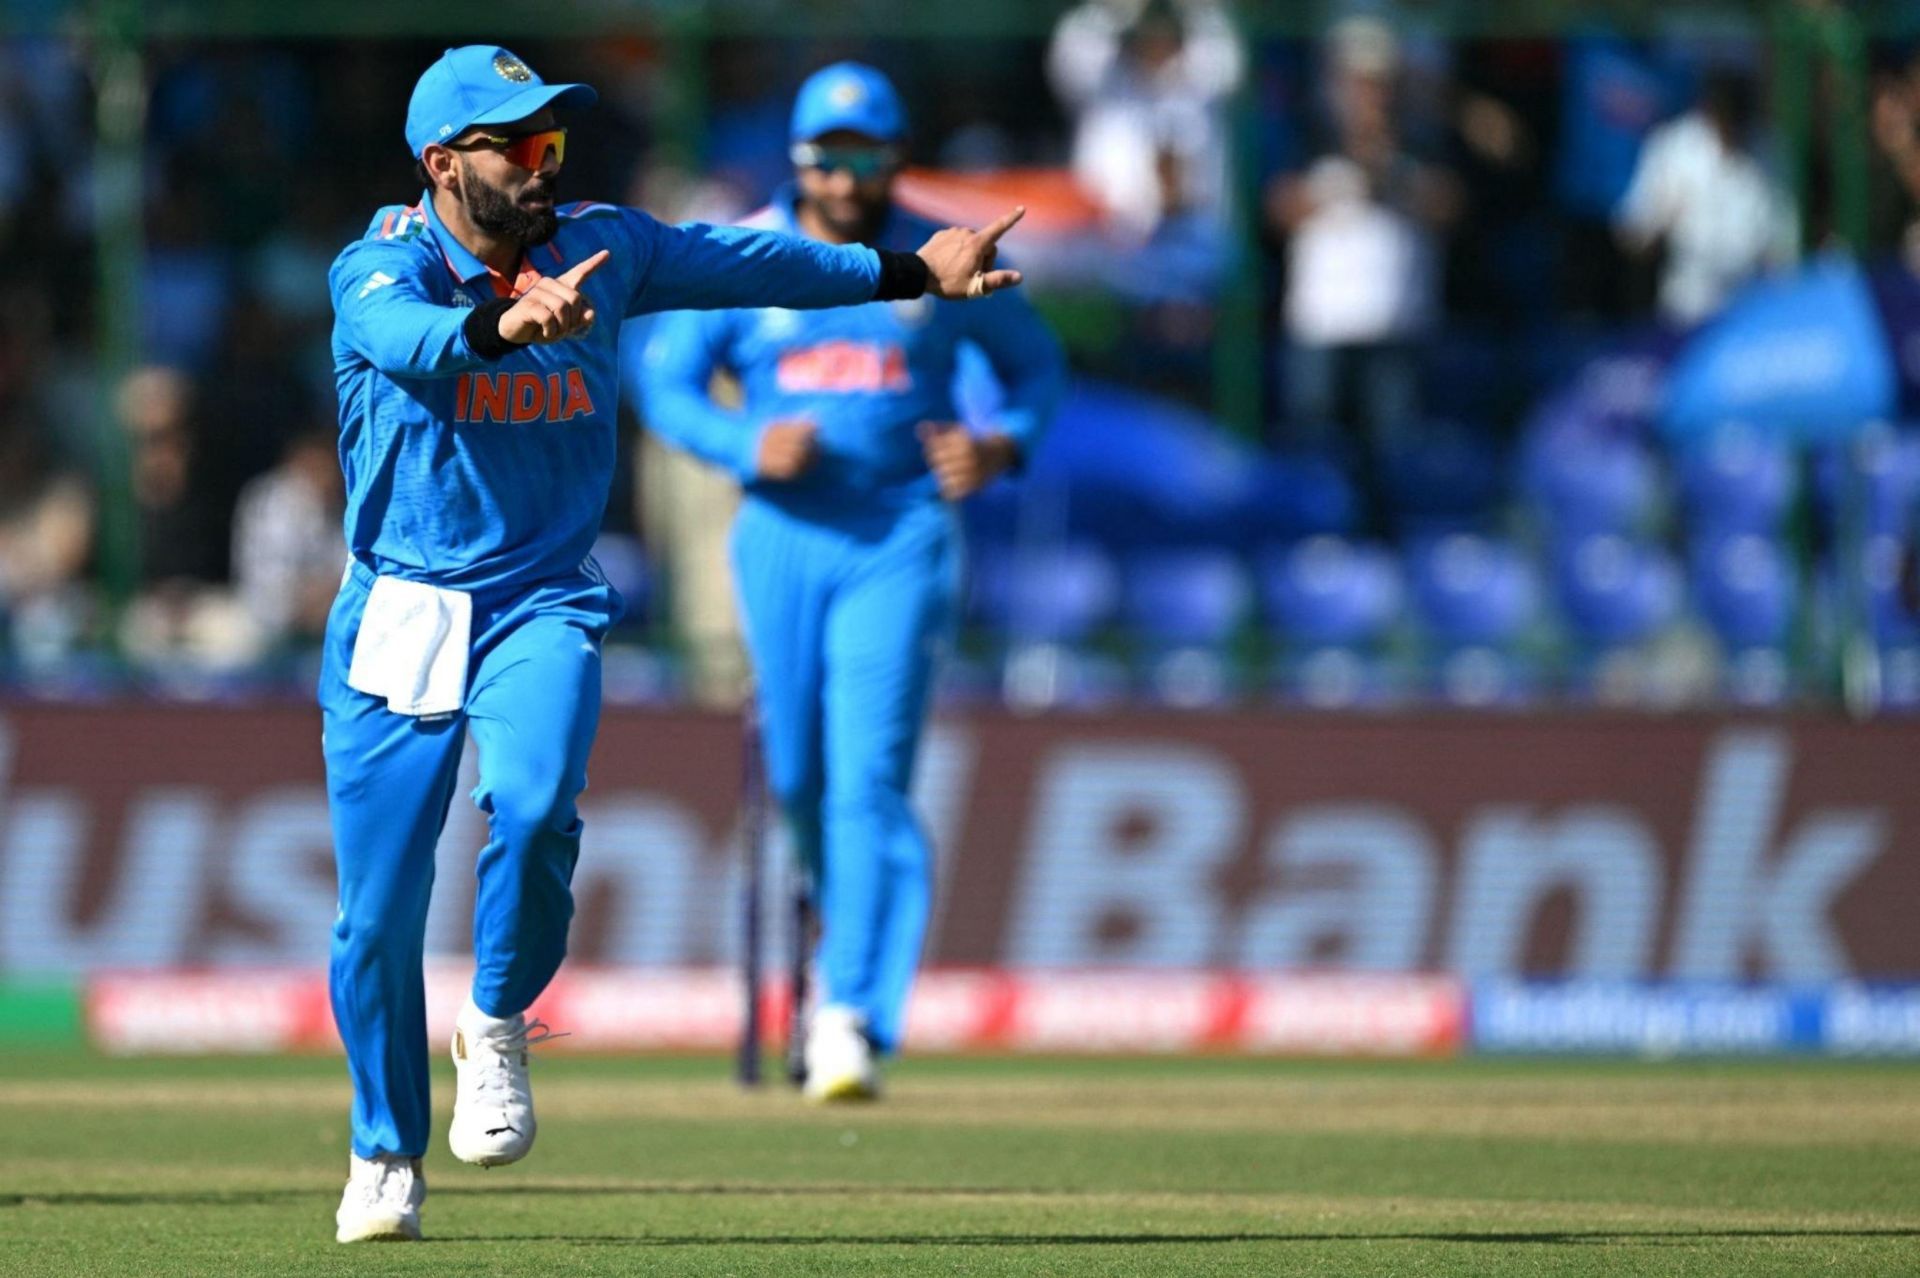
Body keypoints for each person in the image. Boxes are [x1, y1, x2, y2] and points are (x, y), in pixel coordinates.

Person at [323, 44, 1026, 1244]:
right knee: (378, 918)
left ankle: (494, 1023)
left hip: (541, 599)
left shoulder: (609, 244)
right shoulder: (378, 262)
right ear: (445, 166)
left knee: (537, 809)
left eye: (555, 140)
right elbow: (408, 344)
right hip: (402, 605)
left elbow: (755, 260)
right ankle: (384, 1149)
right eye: (520, 146)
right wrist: (503, 326)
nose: (549, 165)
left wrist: (908, 268)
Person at [639, 63, 1065, 1102]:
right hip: (782, 536)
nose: (845, 176)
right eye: (828, 159)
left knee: (870, 779)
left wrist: (999, 446)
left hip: (898, 534)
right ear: (800, 162)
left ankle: (852, 1013)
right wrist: (743, 442)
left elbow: (1034, 367)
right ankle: (843, 967)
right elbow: (662, 379)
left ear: (894, 157)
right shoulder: (748, 253)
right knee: (800, 781)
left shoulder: (938, 254)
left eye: (866, 156)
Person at [1614, 68, 1795, 328]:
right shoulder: (1673, 147)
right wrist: (1657, 222)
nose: (1729, 133)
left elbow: (1784, 250)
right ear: (1707, 116)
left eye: (1737, 124)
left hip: (1751, 310)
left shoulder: (1771, 152)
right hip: (1684, 308)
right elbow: (1632, 232)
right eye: (1722, 123)